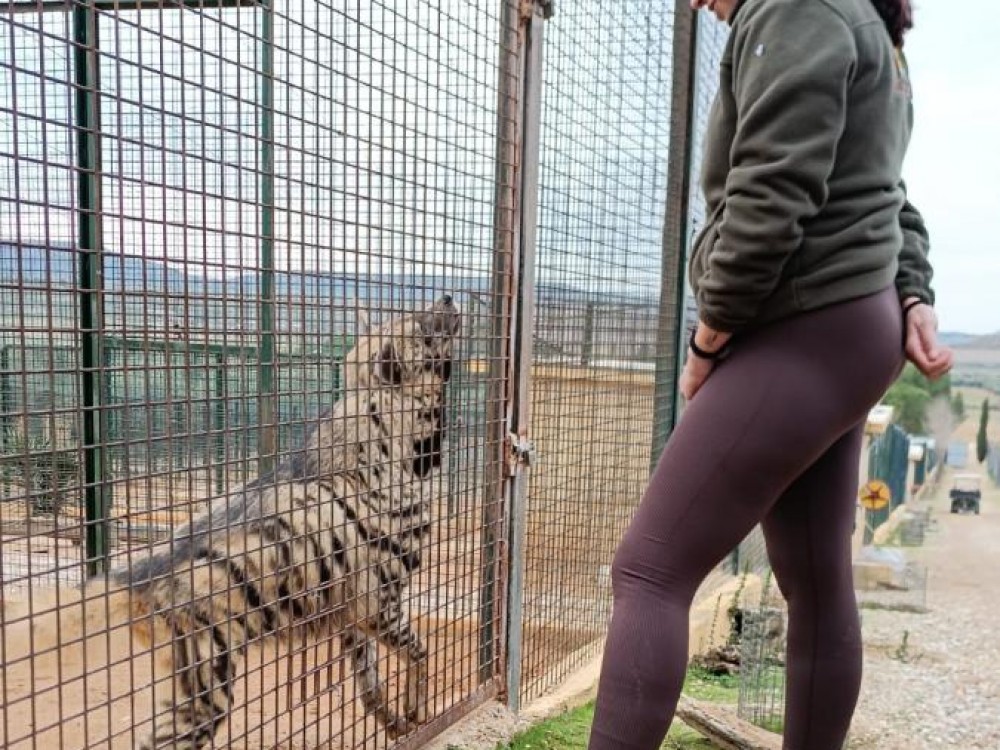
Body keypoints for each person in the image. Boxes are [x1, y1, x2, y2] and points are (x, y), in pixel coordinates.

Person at [587, 0, 952, 748]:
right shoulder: (856, 19)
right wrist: (913, 289)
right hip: (851, 324)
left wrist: (709, 334)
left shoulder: (798, 7)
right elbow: (887, 189)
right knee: (816, 580)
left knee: (651, 570)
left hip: (806, 323)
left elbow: (773, 190)